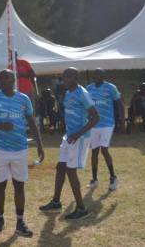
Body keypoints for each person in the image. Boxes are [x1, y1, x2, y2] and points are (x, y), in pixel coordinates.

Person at [0, 69, 44, 238]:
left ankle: (20, 221)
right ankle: (0, 217)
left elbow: (32, 123)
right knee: (0, 186)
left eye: (7, 78)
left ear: (14, 80)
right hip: (0, 150)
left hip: (20, 149)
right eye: (1, 78)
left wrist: (40, 145)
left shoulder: (23, 99)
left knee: (19, 186)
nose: (3, 81)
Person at [39, 67, 99, 220]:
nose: (64, 79)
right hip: (69, 136)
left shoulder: (82, 93)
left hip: (79, 137)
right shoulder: (67, 93)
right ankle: (56, 202)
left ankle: (81, 208)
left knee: (71, 171)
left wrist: (78, 133)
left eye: (67, 77)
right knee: (61, 167)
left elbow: (95, 118)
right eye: (63, 76)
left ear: (75, 78)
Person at [85, 69, 122, 191]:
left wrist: (122, 120)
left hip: (107, 123)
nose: (96, 76)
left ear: (103, 76)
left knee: (104, 150)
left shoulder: (111, 87)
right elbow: (85, 105)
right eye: (94, 74)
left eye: (98, 74)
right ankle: (94, 179)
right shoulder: (88, 89)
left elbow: (119, 103)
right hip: (93, 124)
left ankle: (113, 177)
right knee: (94, 151)